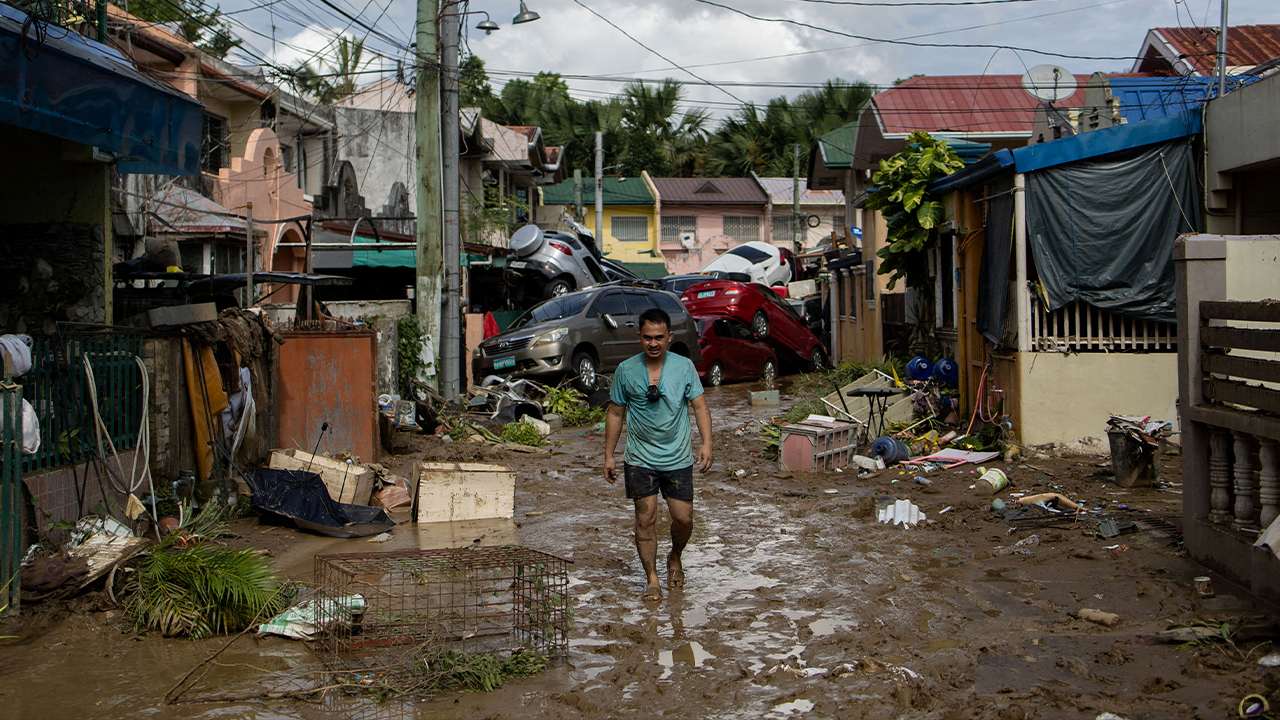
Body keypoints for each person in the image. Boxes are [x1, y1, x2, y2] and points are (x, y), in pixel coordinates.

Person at [603, 307, 713, 603]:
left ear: (669, 337)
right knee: (645, 519)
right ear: (639, 337)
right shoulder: (626, 370)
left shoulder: (684, 367)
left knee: (684, 519)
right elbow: (615, 412)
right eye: (648, 338)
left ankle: (674, 556)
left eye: (660, 338)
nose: (654, 343)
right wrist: (609, 455)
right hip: (639, 459)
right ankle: (652, 578)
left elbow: (700, 406)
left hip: (677, 458)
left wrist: (706, 444)